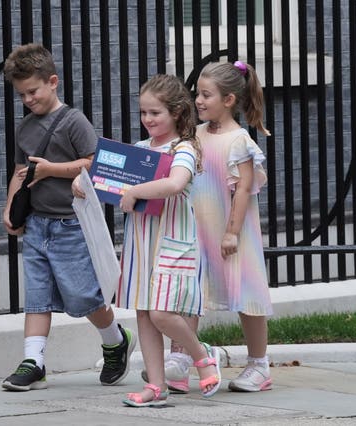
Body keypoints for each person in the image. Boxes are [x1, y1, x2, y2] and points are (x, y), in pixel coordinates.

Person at [73, 74, 221, 406]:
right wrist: (83, 184)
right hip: (141, 246)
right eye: (144, 113)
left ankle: (201, 356)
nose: (148, 120)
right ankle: (157, 386)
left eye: (155, 113)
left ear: (177, 113)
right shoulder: (141, 151)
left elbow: (174, 183)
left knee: (161, 313)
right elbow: (104, 178)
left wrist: (136, 190)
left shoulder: (183, 149)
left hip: (172, 242)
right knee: (144, 315)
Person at [1, 43, 134, 391]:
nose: (28, 99)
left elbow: (94, 162)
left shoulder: (74, 121)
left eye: (33, 91)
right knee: (37, 295)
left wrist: (51, 171)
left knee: (83, 297)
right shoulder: (25, 127)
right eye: (22, 94)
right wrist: (10, 207)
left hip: (69, 225)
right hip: (37, 224)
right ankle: (34, 361)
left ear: (53, 82)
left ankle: (115, 339)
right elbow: (20, 170)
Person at [159, 60, 274, 394]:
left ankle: (259, 365)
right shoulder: (193, 135)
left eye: (206, 95)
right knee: (189, 294)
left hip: (231, 233)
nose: (198, 100)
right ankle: (180, 358)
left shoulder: (239, 141)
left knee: (247, 297)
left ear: (228, 100)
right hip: (197, 231)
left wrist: (231, 232)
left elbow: (242, 190)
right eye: (198, 93)